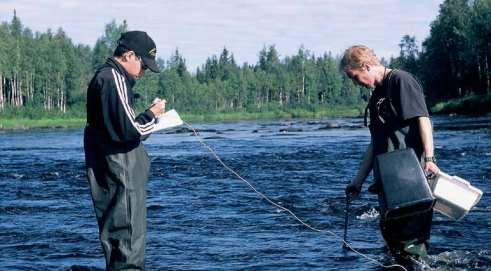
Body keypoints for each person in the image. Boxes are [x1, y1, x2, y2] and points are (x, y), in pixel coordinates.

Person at [341, 45, 440, 257]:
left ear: (366, 66)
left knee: (411, 244)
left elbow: (423, 119)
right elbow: (375, 143)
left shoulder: (401, 80)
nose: (354, 82)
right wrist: (357, 182)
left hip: (411, 178)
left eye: (354, 76)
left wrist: (429, 159)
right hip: (387, 181)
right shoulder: (375, 96)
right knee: (393, 241)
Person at [84, 31, 166, 270]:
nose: (143, 72)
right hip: (121, 171)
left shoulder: (105, 77)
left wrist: (147, 117)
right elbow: (131, 131)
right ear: (130, 55)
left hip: (110, 168)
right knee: (128, 239)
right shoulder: (113, 78)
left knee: (117, 239)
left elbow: (120, 126)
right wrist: (154, 115)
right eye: (143, 65)